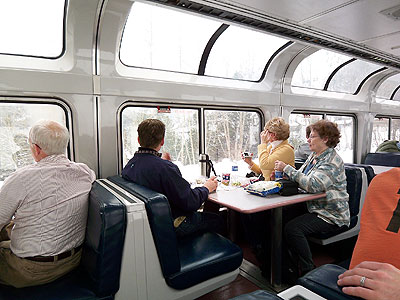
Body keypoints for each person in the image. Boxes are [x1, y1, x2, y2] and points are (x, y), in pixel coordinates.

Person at [0, 120, 96, 288]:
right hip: (72, 260)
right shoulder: (85, 172)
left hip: (29, 270)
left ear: (36, 148)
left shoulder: (21, 178)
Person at [122, 119, 221, 238]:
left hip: (148, 222)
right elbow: (190, 202)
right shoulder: (165, 168)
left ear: (139, 140)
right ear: (162, 141)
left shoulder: (130, 165)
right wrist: (206, 188)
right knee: (217, 219)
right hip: (174, 224)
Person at [275, 119, 350, 276]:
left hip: (330, 213)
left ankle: (308, 270)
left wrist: (287, 168)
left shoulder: (332, 161)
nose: (308, 140)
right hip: (314, 207)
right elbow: (300, 176)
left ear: (325, 139)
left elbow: (313, 185)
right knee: (278, 219)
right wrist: (285, 174)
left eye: (312, 136)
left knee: (293, 228)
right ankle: (286, 266)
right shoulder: (314, 157)